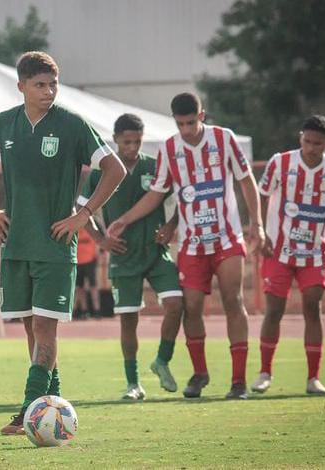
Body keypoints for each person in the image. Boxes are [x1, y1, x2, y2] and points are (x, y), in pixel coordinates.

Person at [0, 51, 125, 435]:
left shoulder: (72, 125)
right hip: (16, 244)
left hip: (56, 247)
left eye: (53, 84)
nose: (48, 91)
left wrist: (83, 214)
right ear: (21, 86)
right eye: (40, 84)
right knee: (30, 327)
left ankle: (28, 411)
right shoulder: (3, 125)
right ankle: (51, 406)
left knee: (45, 327)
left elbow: (115, 169)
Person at [108, 92, 264, 399]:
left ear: (202, 115)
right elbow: (157, 193)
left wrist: (256, 223)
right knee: (190, 307)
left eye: (191, 122)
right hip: (192, 244)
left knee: (234, 301)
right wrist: (124, 220)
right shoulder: (169, 148)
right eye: (180, 124)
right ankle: (200, 374)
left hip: (227, 239)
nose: (187, 129)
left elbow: (246, 180)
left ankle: (238, 382)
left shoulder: (224, 139)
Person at [79, 113, 183, 399]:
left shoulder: (155, 166)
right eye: (126, 142)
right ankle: (133, 383)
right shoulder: (101, 172)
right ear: (115, 140)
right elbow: (81, 211)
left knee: (176, 303)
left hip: (155, 251)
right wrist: (101, 240)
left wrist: (171, 226)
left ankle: (162, 360)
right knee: (129, 320)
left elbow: (182, 201)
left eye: (137, 141)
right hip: (123, 256)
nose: (132, 147)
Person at [252, 115, 325, 396]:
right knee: (274, 310)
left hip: (313, 250)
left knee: (313, 309)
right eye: (307, 141)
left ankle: (314, 378)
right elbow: (262, 195)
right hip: (279, 249)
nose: (311, 148)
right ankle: (264, 372)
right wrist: (261, 230)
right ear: (301, 137)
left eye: (318, 143)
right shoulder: (280, 162)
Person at [73, 228, 99, 319]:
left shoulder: (91, 225)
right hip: (77, 260)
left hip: (90, 260)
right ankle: (84, 310)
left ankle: (96, 310)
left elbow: (98, 240)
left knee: (93, 285)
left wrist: (96, 255)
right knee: (79, 287)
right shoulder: (74, 225)